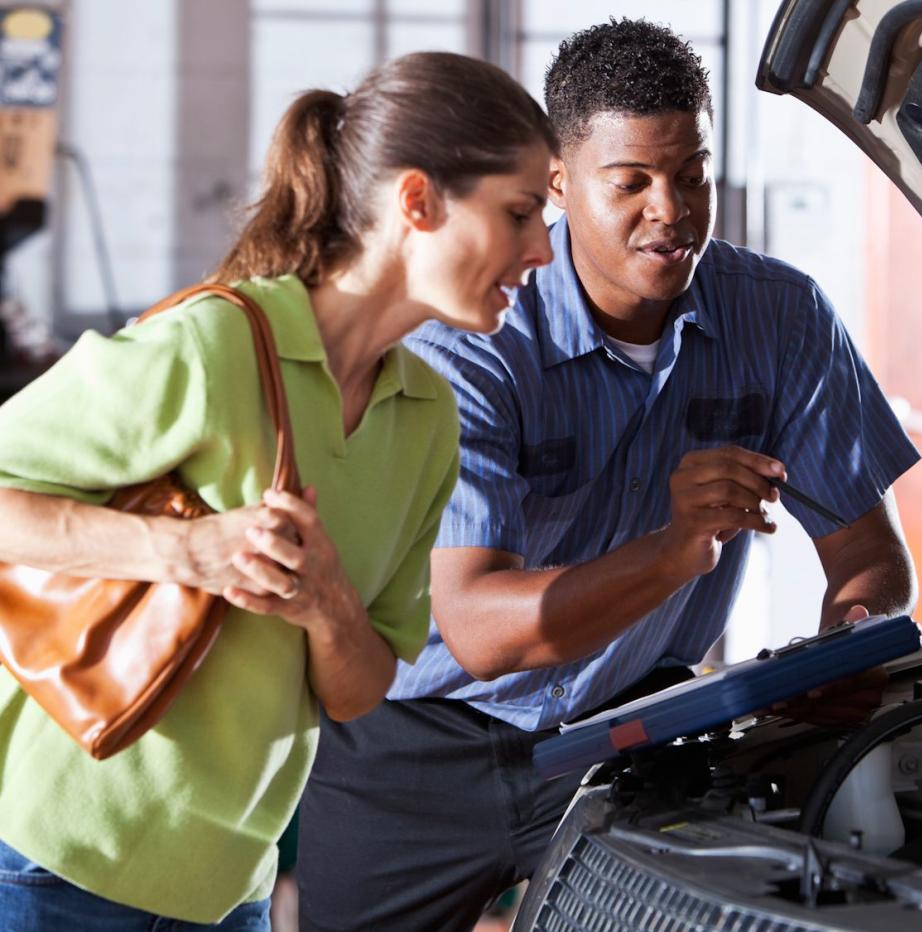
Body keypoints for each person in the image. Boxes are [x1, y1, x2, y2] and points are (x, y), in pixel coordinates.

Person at [297, 19, 920, 932]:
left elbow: (870, 555)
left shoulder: (781, 317)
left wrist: (852, 638)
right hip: (412, 748)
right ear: (557, 181)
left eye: (691, 174)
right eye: (630, 183)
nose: (671, 209)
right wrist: (672, 554)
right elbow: (475, 627)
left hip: (632, 735)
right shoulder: (468, 343)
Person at [0, 51, 554, 929]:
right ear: (417, 202)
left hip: (231, 888)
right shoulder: (213, 347)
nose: (543, 249)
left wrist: (327, 602)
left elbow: (359, 691)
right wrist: (189, 550)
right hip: (59, 863)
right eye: (519, 211)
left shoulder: (427, 419)